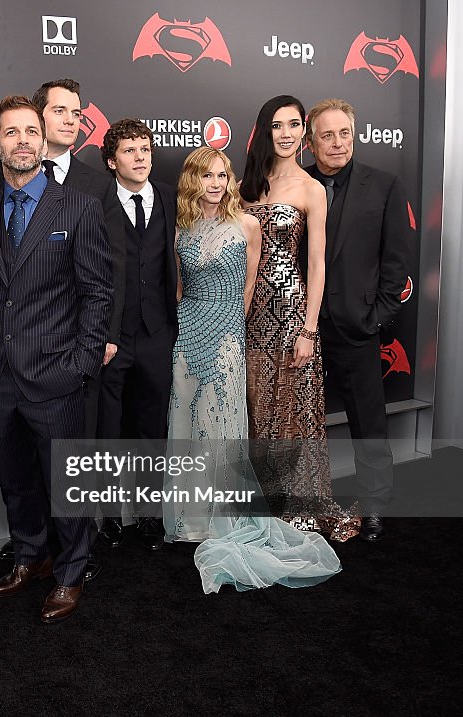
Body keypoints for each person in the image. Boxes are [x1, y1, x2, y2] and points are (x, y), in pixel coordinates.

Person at [163, 146, 341, 593]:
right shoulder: (182, 225)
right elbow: (181, 286)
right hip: (187, 334)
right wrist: (190, 325)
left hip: (226, 336)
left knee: (221, 430)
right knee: (186, 426)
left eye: (223, 175)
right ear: (193, 181)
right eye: (207, 176)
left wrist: (229, 331)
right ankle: (191, 521)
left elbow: (247, 287)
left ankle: (223, 520)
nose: (217, 183)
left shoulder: (247, 225)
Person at [0, 96, 112, 623]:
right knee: (17, 479)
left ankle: (72, 572)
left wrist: (82, 363)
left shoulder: (78, 208)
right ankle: (31, 556)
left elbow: (97, 294)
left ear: (43, 140)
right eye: (11, 132)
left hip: (57, 374)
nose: (23, 140)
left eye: (31, 131)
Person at [239, 95, 359, 542]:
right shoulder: (245, 184)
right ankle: (260, 506)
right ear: (264, 131)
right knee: (255, 413)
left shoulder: (311, 188)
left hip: (292, 318)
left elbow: (316, 266)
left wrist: (309, 329)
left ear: (302, 133)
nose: (285, 133)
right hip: (249, 317)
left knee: (292, 415)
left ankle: (297, 507)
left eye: (293, 125)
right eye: (276, 125)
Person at [305, 98, 412, 542]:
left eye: (344, 134)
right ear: (310, 142)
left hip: (358, 325)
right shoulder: (295, 183)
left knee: (368, 420)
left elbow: (396, 260)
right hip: (303, 327)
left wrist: (378, 318)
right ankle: (304, 506)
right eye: (326, 135)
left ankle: (373, 507)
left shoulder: (384, 185)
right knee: (300, 422)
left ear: (354, 135)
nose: (337, 143)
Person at [97, 118, 179, 550]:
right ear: (112, 161)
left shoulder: (168, 196)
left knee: (151, 427)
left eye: (145, 149)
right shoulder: (98, 200)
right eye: (130, 151)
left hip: (157, 333)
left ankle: (149, 516)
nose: (140, 157)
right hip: (112, 335)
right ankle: (109, 519)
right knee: (109, 428)